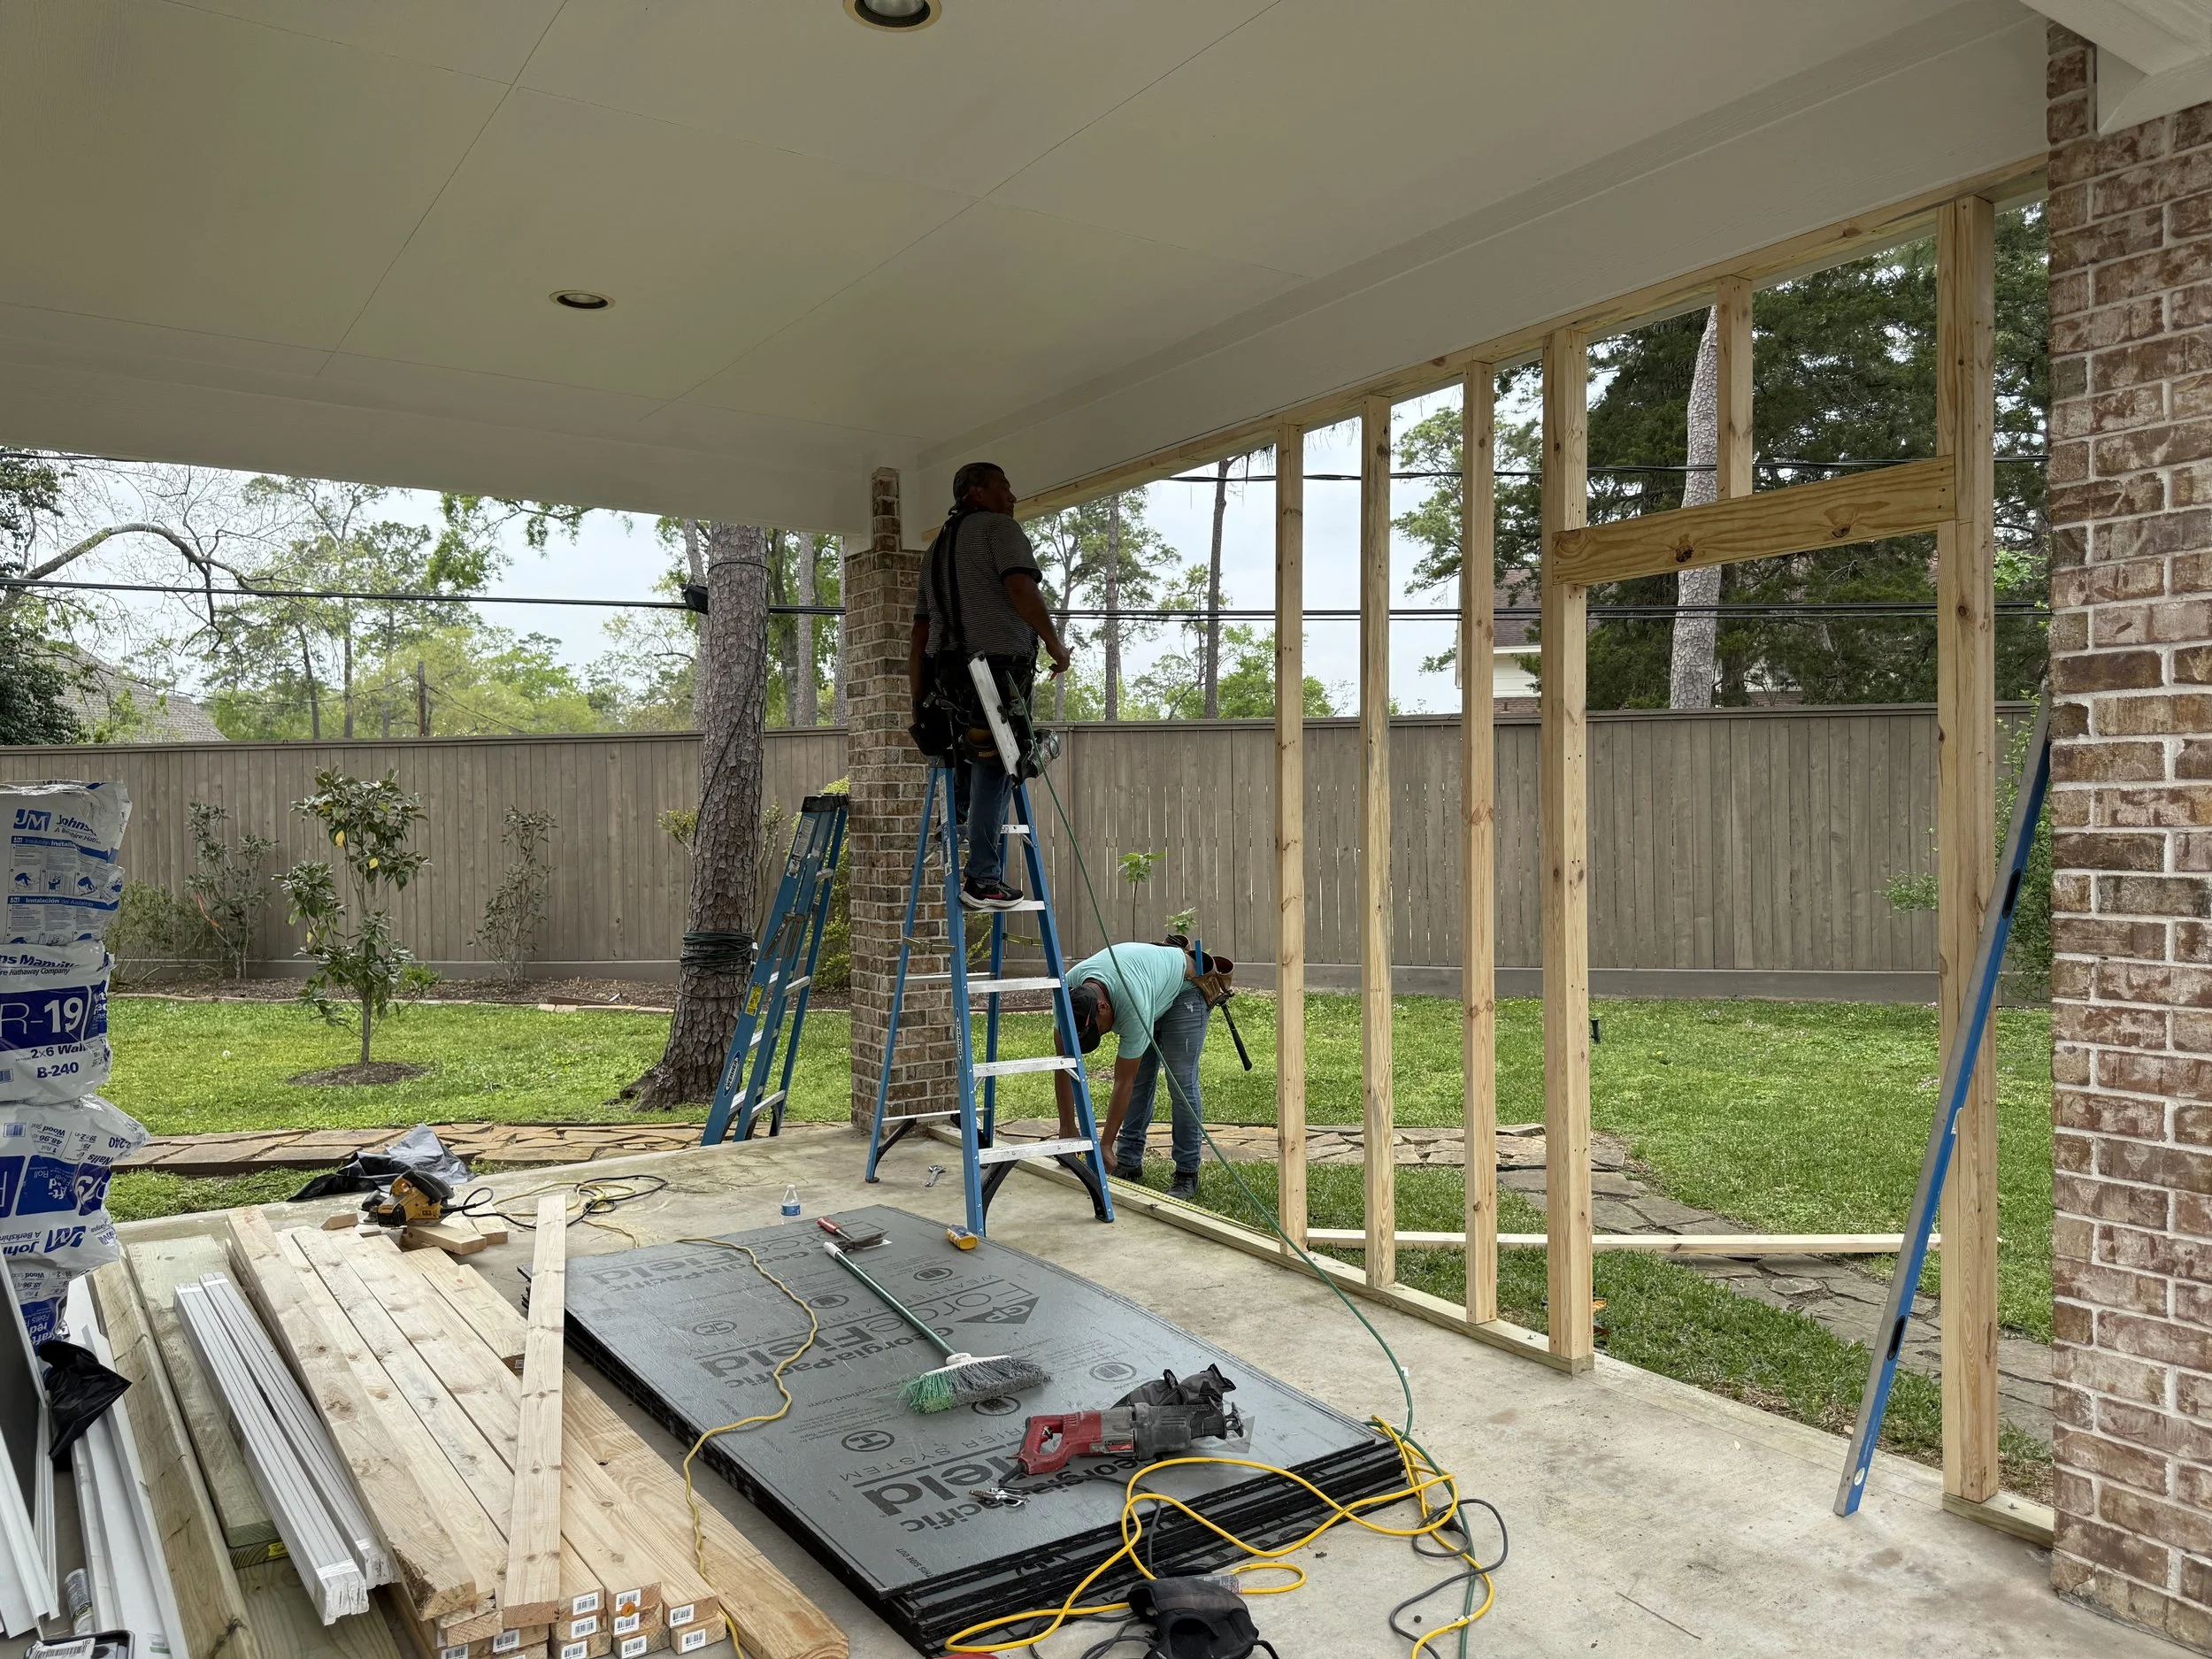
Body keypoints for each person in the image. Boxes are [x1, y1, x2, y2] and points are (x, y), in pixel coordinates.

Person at [909, 461, 1071, 910]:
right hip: (996, 671)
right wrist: (1056, 646)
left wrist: (917, 701)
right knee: (1000, 763)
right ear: (976, 492)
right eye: (1004, 487)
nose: (1012, 496)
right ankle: (982, 879)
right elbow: (1021, 589)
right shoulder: (999, 530)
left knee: (969, 751)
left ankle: (958, 819)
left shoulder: (937, 550)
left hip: (947, 674)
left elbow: (920, 632)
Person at [1051, 940, 1210, 1200]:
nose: (1102, 1035)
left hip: (1184, 989)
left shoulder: (1132, 1002)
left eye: (1099, 1031)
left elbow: (1123, 1081)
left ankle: (1187, 1172)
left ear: (1104, 1008)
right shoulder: (1065, 993)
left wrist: (1104, 1144)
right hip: (1149, 987)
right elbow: (1064, 1065)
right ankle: (1128, 1161)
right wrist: (1067, 1127)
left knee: (1180, 1082)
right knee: (1142, 1081)